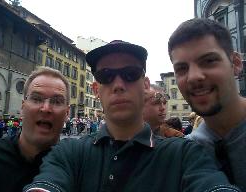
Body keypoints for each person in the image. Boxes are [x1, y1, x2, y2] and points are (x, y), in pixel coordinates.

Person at [24, 40, 240, 192]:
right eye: (106, 76)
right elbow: (49, 183)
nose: (118, 85)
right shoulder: (69, 153)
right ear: (97, 89)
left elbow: (209, 182)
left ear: (146, 86)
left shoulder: (184, 154)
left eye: (130, 74)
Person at [168, 18, 246, 191]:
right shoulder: (186, 151)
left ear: (236, 64)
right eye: (182, 68)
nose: (194, 76)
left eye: (209, 61)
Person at [0, 67, 70, 192]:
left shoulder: (76, 167)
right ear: (23, 107)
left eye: (57, 101)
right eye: (37, 99)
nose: (45, 108)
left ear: (67, 113)